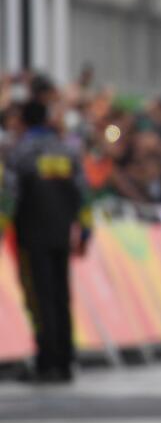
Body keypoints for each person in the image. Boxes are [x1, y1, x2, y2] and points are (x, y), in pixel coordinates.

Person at [1, 99, 91, 384]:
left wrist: (2, 230)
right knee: (62, 296)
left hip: (31, 236)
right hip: (62, 234)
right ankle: (65, 360)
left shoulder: (20, 152)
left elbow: (9, 197)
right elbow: (83, 192)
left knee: (40, 299)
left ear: (23, 122)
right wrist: (85, 229)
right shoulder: (68, 150)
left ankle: (47, 363)